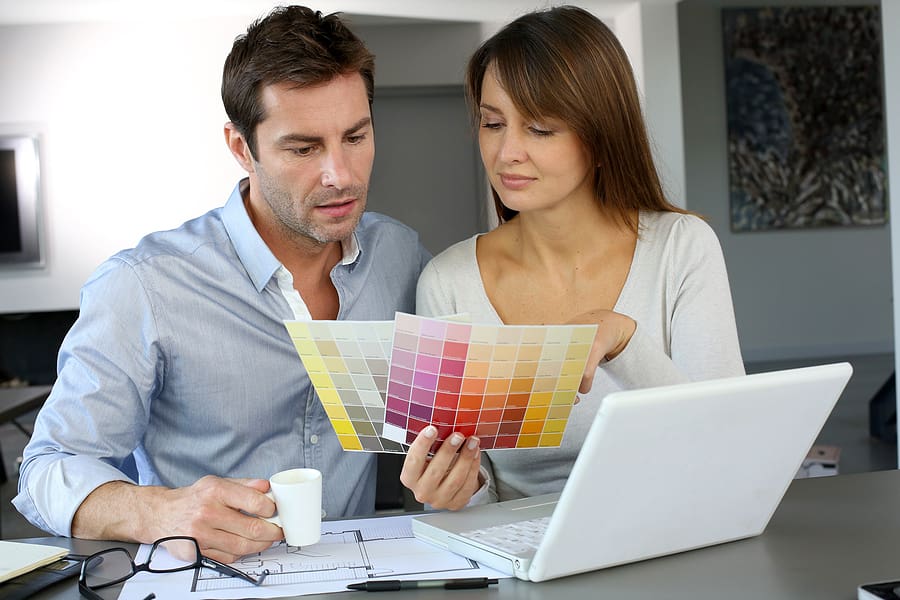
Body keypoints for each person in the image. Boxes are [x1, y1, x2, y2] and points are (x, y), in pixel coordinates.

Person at [14, 6, 430, 563]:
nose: (342, 174)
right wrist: (158, 512)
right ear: (241, 148)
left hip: (357, 577)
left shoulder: (401, 257)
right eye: (303, 149)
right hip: (206, 584)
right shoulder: (144, 286)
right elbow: (47, 468)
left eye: (355, 136)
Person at [400, 5, 744, 509]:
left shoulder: (682, 247)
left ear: (603, 138)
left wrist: (624, 340)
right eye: (493, 123)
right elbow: (476, 495)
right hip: (524, 562)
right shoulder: (447, 281)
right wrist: (457, 490)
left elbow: (726, 444)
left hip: (675, 533)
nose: (507, 152)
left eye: (540, 129)